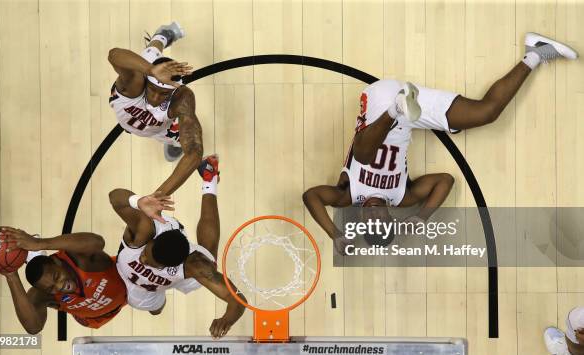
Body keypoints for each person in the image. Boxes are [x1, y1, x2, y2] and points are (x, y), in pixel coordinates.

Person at [303, 32, 578, 254]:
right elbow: (445, 180)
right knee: (486, 113)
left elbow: (311, 196)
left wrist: (335, 234)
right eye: (381, 221)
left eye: (369, 222)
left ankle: (395, 110)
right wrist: (422, 217)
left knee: (363, 157)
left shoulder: (348, 196)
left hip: (380, 103)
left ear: (361, 221)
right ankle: (536, 52)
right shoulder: (401, 197)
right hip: (411, 113)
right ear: (390, 217)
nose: (374, 215)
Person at [109, 155, 245, 339]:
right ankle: (209, 176)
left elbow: (237, 300)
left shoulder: (195, 265)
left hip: (173, 274)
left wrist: (227, 319)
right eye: (146, 253)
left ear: (169, 266)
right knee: (154, 309)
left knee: (209, 258)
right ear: (152, 241)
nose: (142, 259)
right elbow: (115, 197)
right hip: (135, 279)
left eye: (149, 262)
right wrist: (137, 201)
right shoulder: (143, 231)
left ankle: (209, 181)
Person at [108, 22, 203, 216]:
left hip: (159, 128)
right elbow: (113, 55)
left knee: (180, 140)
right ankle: (163, 35)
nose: (157, 98)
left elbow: (194, 153)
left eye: (164, 94)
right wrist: (151, 70)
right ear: (147, 83)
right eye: (154, 90)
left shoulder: (182, 97)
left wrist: (157, 196)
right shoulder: (136, 83)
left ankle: (173, 143)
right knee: (151, 53)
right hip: (143, 85)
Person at [0, 228, 127, 333]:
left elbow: (98, 242)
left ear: (57, 261)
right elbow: (33, 328)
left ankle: (37, 253)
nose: (60, 286)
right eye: (51, 288)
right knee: (46, 287)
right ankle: (35, 258)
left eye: (56, 277)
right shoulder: (42, 293)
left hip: (127, 284)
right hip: (93, 318)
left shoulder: (79, 257)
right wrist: (12, 277)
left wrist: (40, 243)